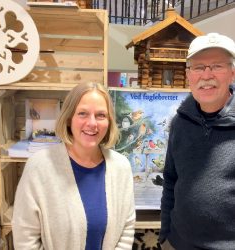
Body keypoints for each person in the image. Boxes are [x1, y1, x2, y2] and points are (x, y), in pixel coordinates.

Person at [12, 82, 136, 249]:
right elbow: (25, 239)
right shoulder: (39, 167)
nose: (92, 123)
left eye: (100, 115)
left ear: (109, 121)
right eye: (83, 113)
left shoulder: (121, 167)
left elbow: (126, 229)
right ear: (69, 118)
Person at [159, 32, 235, 250]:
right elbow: (170, 181)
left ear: (232, 73)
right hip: (178, 244)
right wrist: (165, 235)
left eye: (217, 66)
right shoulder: (179, 123)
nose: (207, 75)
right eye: (199, 67)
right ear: (189, 75)